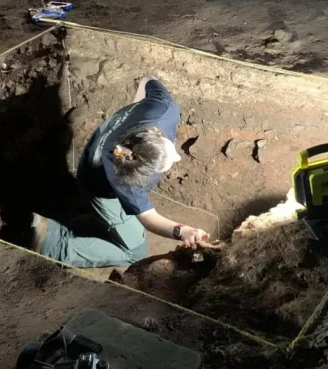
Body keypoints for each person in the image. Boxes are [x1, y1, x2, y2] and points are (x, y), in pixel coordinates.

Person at [30, 76, 212, 268]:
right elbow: (148, 218)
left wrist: (136, 106)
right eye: (162, 166)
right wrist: (182, 231)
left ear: (155, 133)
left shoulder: (162, 107)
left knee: (118, 223)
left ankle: (55, 227)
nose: (178, 158)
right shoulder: (127, 179)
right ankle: (50, 245)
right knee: (135, 250)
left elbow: (147, 80)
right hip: (97, 184)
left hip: (94, 155)